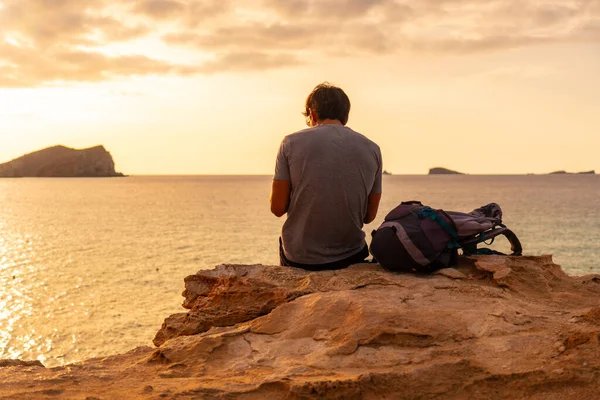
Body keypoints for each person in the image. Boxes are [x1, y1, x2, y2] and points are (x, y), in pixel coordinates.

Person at [270, 82, 383, 270]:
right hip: (351, 255)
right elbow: (369, 216)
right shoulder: (373, 148)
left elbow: (277, 208)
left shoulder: (290, 143)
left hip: (301, 258)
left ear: (312, 114)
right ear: (346, 116)